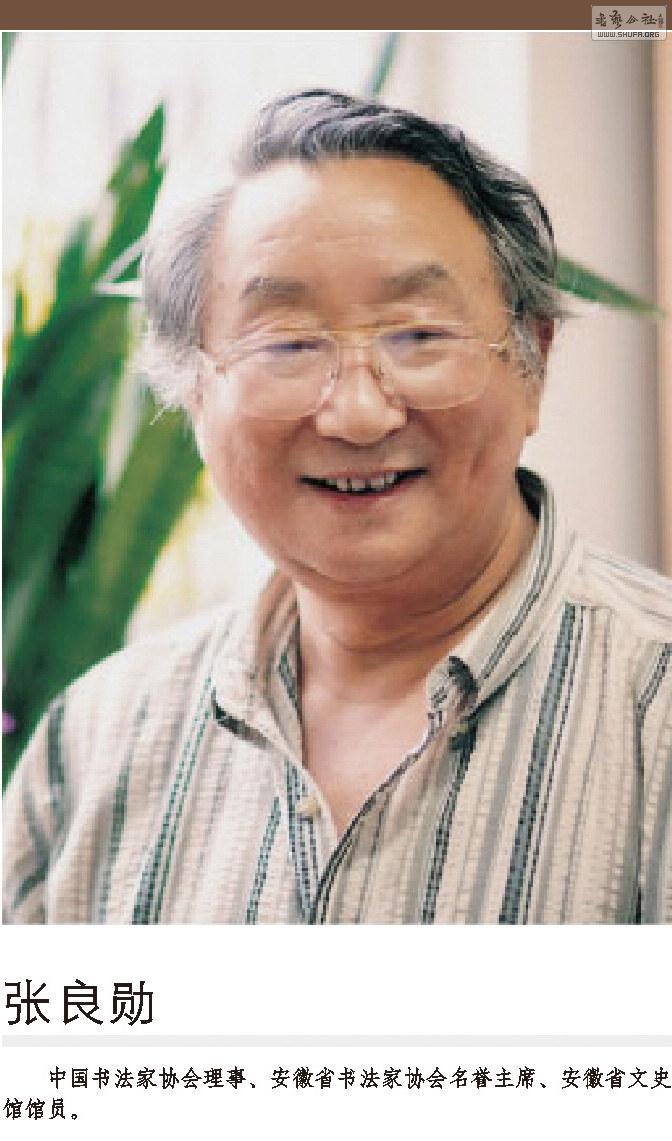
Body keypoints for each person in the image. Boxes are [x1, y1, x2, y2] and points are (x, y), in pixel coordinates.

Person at [4, 89, 671, 924]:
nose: (358, 414)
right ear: (194, 396)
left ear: (532, 363)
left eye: (419, 336)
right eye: (286, 345)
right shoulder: (91, 744)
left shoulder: (652, 706)